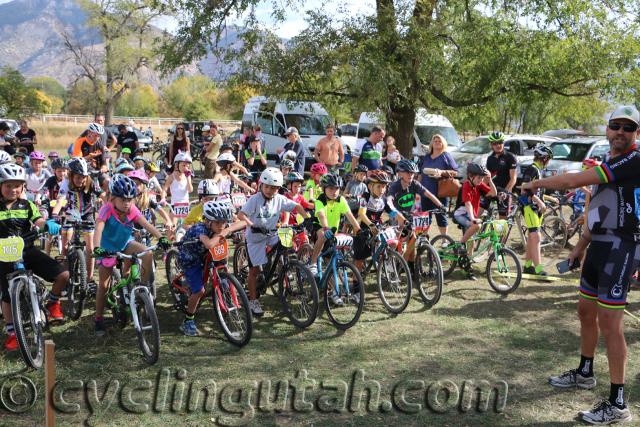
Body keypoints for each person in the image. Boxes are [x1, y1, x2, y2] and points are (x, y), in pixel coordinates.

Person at [522, 105, 640, 425]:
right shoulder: (609, 162)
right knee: (585, 312)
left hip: (620, 247)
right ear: (607, 129)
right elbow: (597, 211)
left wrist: (537, 184)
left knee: (610, 323)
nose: (620, 132)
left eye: (627, 128)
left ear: (636, 134)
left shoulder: (633, 159)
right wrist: (579, 247)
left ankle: (617, 402)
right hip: (598, 246)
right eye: (615, 125)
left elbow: (573, 180)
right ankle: (585, 372)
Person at [0, 163, 69, 351]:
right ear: (0, 186)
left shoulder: (27, 204)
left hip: (27, 248)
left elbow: (37, 219)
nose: (12, 189)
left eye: (17, 185)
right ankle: (13, 332)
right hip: (4, 253)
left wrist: (46, 224)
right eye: (8, 185)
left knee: (63, 275)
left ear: (23, 187)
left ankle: (53, 303)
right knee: (6, 295)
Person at [93, 174, 170, 336]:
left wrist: (161, 237)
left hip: (125, 243)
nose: (127, 203)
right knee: (104, 286)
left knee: (147, 254)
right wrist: (97, 247)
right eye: (123, 200)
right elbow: (98, 228)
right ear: (113, 198)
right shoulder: (106, 209)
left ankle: (142, 288)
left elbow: (146, 224)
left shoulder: (132, 209)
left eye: (130, 199)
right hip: (106, 248)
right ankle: (98, 318)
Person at [237, 168, 311, 317]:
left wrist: (307, 218)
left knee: (287, 245)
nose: (270, 190)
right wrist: (251, 224)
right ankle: (253, 300)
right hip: (255, 237)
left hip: (271, 233)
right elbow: (241, 214)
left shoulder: (279, 199)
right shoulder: (255, 199)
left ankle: (284, 268)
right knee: (255, 270)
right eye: (267, 187)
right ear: (261, 185)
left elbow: (296, 206)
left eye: (274, 188)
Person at [177, 200, 246, 336]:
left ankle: (225, 296)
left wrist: (229, 228)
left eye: (224, 222)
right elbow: (208, 244)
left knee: (223, 271)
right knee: (199, 291)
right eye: (217, 223)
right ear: (208, 222)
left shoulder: (221, 226)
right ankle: (188, 320)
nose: (221, 226)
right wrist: (223, 233)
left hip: (206, 255)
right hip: (191, 260)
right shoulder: (199, 229)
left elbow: (243, 222)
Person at [52, 157, 104, 286]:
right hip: (70, 213)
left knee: (91, 249)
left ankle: (90, 279)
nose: (81, 180)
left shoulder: (90, 182)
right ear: (71, 175)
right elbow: (60, 200)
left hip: (87, 214)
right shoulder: (66, 182)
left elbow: (102, 195)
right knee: (64, 247)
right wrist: (54, 214)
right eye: (78, 177)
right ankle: (64, 278)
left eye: (83, 177)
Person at [387, 159, 443, 275]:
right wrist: (395, 211)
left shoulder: (414, 184)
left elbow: (429, 194)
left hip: (410, 215)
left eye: (413, 173)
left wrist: (440, 205)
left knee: (413, 239)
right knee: (396, 242)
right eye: (408, 172)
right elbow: (389, 200)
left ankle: (410, 267)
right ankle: (390, 263)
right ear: (400, 173)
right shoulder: (395, 186)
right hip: (396, 215)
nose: (411, 175)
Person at [308, 174, 361, 295]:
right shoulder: (320, 200)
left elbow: (350, 217)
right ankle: (313, 262)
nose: (334, 191)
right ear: (323, 189)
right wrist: (326, 228)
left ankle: (333, 291)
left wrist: (359, 230)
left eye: (337, 188)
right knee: (322, 234)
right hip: (320, 227)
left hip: (333, 232)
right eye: (331, 188)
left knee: (333, 263)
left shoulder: (341, 200)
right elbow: (321, 215)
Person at [452, 162, 496, 280]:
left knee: (471, 243)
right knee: (475, 228)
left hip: (470, 215)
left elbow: (493, 193)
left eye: (482, 177)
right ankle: (461, 245)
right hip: (461, 214)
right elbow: (468, 204)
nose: (481, 180)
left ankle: (467, 264)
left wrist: (490, 180)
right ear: (470, 176)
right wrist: (472, 219)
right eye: (479, 177)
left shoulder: (478, 185)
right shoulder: (466, 185)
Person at [352, 169, 399, 273]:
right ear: (370, 186)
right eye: (379, 186)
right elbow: (361, 214)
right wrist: (371, 225)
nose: (382, 190)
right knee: (359, 260)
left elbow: (392, 213)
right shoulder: (365, 197)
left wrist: (401, 220)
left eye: (384, 186)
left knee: (393, 242)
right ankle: (356, 286)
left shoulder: (384, 199)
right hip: (362, 229)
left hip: (376, 228)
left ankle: (385, 261)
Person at [519, 144, 554, 276]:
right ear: (544, 158)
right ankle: (538, 269)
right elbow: (524, 189)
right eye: (548, 159)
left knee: (532, 237)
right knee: (536, 236)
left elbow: (538, 191)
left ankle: (528, 266)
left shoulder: (538, 170)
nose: (548, 162)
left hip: (536, 207)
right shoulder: (532, 169)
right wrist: (539, 202)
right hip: (529, 206)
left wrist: (548, 198)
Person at [419, 134, 458, 235]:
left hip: (440, 192)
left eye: (439, 141)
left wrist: (441, 172)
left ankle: (444, 240)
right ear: (431, 143)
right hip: (425, 191)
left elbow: (455, 172)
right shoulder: (426, 157)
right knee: (425, 216)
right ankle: (424, 239)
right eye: (435, 140)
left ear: (443, 143)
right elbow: (420, 173)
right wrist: (417, 188)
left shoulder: (446, 156)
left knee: (441, 216)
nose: (437, 142)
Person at [482, 131, 517, 219]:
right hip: (492, 189)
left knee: (502, 222)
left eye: (500, 142)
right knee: (478, 211)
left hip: (504, 191)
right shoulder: (490, 158)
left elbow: (513, 178)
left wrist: (505, 192)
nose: (498, 145)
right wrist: (479, 188)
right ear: (491, 145)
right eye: (495, 143)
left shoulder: (510, 157)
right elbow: (487, 177)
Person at [163, 151, 193, 225]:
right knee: (172, 226)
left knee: (188, 227)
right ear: (176, 165)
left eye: (187, 166)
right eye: (183, 165)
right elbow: (165, 189)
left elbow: (190, 190)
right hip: (175, 205)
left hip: (185, 205)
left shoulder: (187, 176)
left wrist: (188, 178)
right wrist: (163, 198)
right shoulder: (171, 177)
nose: (186, 168)